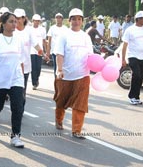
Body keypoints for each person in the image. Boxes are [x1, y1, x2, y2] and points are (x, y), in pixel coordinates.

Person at [0, 12, 26, 148]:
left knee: (18, 107)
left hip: (16, 78)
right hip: (0, 78)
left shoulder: (19, 40)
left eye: (15, 21)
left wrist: (23, 80)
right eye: (11, 21)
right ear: (3, 23)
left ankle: (15, 136)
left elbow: (21, 60)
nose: (14, 24)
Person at [53, 8, 93, 139]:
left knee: (81, 104)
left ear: (82, 21)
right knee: (61, 101)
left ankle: (77, 129)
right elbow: (59, 54)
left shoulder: (86, 37)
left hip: (83, 75)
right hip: (65, 75)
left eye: (79, 19)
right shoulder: (64, 36)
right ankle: (59, 119)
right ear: (69, 20)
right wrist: (59, 70)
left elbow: (91, 56)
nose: (76, 21)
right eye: (74, 19)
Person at [14, 8, 46, 102]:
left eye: (19, 18)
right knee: (14, 91)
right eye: (15, 17)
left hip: (25, 66)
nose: (17, 20)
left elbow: (35, 44)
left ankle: (20, 109)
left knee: (22, 90)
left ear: (24, 18)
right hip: (12, 65)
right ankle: (16, 109)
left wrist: (43, 53)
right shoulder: (11, 30)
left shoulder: (28, 31)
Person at [30, 14, 47, 90]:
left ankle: (37, 79)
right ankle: (34, 83)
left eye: (38, 21)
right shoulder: (29, 29)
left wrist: (46, 51)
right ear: (32, 21)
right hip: (31, 51)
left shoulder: (42, 29)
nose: (36, 22)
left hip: (40, 51)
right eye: (35, 21)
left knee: (38, 67)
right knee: (33, 67)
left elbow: (44, 41)